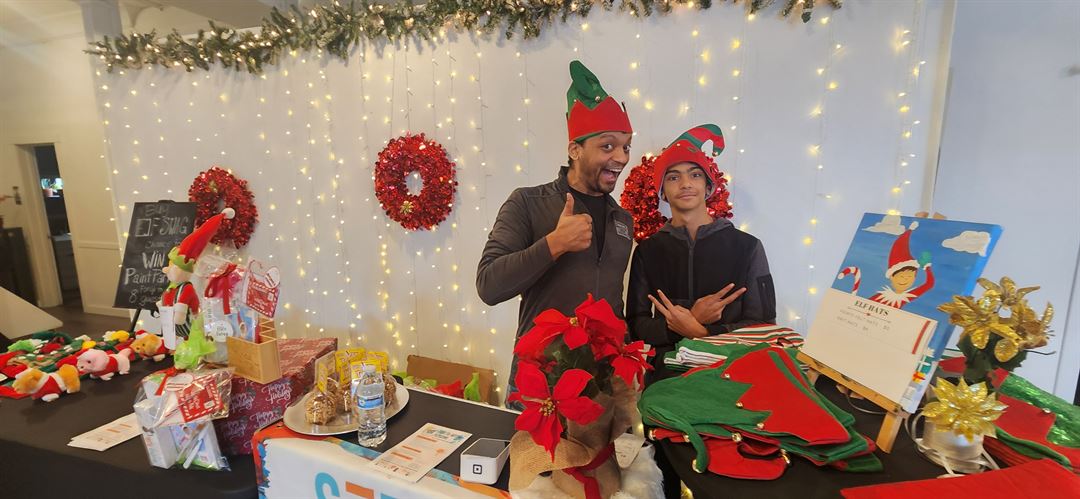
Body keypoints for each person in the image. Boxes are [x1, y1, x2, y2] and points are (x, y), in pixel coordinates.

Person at [477, 61, 634, 406]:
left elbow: (613, 303)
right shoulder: (527, 202)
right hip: (540, 388)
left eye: (626, 146)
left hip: (600, 389)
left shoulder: (622, 220)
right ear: (575, 149)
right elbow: (488, 285)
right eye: (607, 146)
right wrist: (553, 244)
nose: (621, 157)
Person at [626, 125, 776, 384]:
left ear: (708, 187)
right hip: (667, 378)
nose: (685, 184)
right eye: (673, 177)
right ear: (662, 192)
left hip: (731, 374)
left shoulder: (748, 247)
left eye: (695, 175)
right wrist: (687, 322)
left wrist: (703, 332)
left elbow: (764, 325)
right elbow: (635, 324)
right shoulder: (648, 252)